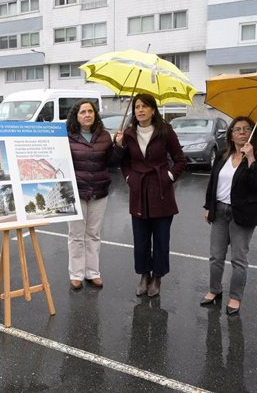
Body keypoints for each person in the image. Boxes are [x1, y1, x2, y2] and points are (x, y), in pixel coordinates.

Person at [114, 93, 186, 298]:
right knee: (141, 240)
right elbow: (122, 163)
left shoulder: (165, 131)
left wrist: (169, 176)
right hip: (139, 192)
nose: (140, 110)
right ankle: (144, 275)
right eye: (137, 107)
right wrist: (129, 178)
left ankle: (158, 277)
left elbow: (180, 160)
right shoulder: (128, 134)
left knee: (161, 239)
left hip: (161, 193)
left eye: (145, 106)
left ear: (153, 110)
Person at [201, 116, 257, 315]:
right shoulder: (223, 155)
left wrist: (250, 158)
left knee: (239, 259)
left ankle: (235, 297)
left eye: (246, 129)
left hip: (243, 213)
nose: (241, 132)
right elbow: (212, 183)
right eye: (237, 129)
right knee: (216, 256)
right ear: (231, 135)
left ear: (252, 133)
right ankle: (214, 290)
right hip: (220, 211)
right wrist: (208, 206)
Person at [65, 100, 115, 290]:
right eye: (83, 112)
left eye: (90, 111)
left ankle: (92, 272)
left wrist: (118, 146)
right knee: (76, 235)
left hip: (99, 191)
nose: (87, 115)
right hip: (76, 192)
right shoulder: (67, 136)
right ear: (76, 116)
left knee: (93, 234)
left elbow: (112, 161)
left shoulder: (104, 136)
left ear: (95, 114)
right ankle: (76, 274)